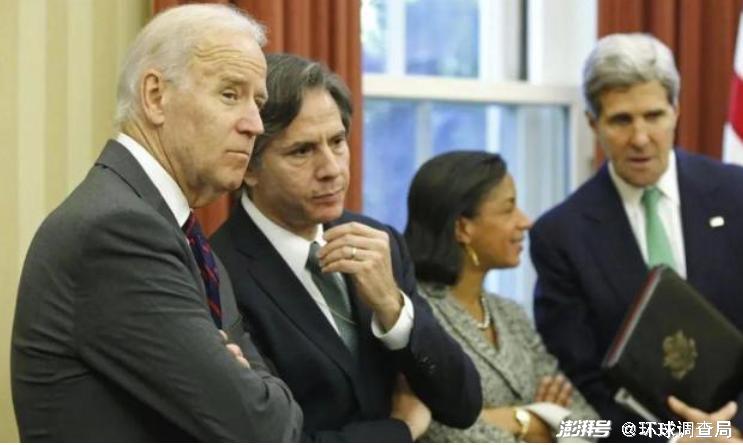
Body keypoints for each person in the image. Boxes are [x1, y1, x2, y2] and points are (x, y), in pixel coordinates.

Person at [11, 4, 302, 442]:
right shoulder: (117, 232)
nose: (255, 124)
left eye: (257, 103)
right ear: (155, 96)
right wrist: (258, 389)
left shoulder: (172, 228)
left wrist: (255, 388)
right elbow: (262, 427)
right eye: (230, 94)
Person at [210, 53, 482, 442]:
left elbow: (463, 404)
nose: (332, 169)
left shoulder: (378, 240)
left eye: (337, 142)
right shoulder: (217, 272)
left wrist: (393, 307)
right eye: (302, 151)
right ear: (249, 168)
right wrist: (399, 430)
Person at [530, 32, 743, 441]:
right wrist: (674, 439)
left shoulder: (737, 196)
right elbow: (584, 382)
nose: (641, 138)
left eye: (654, 116)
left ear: (676, 111)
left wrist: (731, 430)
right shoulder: (561, 236)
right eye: (621, 120)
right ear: (593, 123)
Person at [403, 150, 599, 442]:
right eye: (508, 210)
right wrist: (534, 420)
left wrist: (507, 419)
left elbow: (593, 427)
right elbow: (438, 431)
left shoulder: (511, 313)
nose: (525, 222)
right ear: (463, 228)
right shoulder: (415, 315)